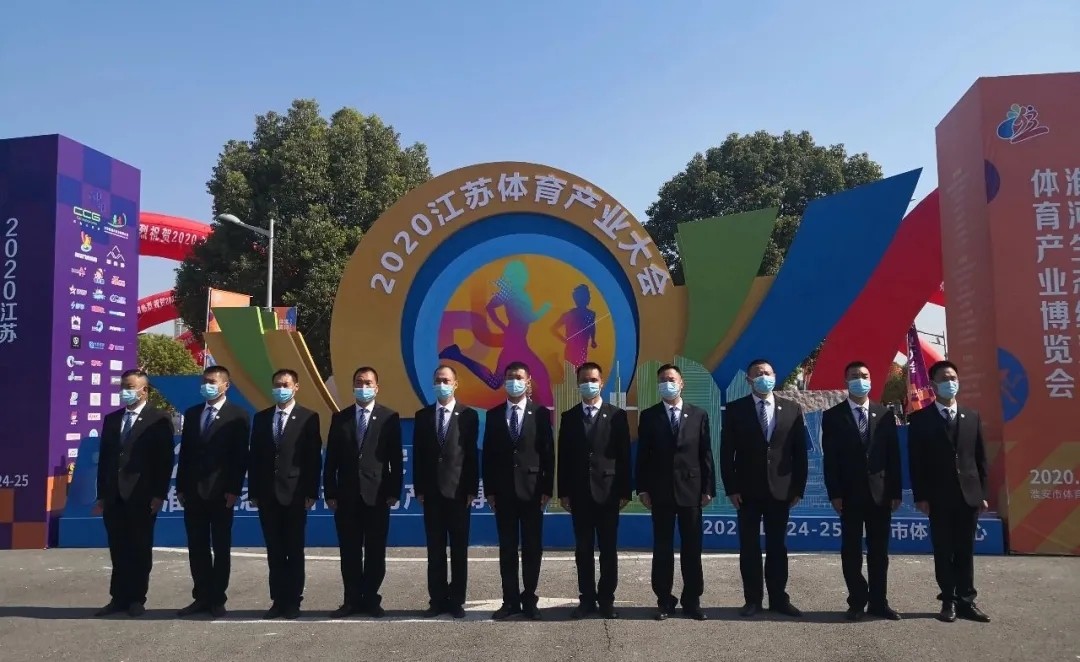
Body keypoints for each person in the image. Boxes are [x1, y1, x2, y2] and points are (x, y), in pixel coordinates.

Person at [720, 358, 808, 618]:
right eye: (758, 374)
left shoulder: (792, 408)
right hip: (746, 491)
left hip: (781, 489)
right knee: (749, 547)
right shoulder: (736, 409)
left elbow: (799, 453)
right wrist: (731, 488)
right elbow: (726, 453)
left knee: (778, 547)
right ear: (749, 380)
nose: (763, 377)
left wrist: (798, 488)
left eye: (767, 373)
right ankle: (752, 600)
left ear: (775, 376)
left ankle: (779, 599)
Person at [908, 360, 991, 623]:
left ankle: (967, 600)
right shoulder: (920, 419)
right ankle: (948, 600)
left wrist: (982, 493)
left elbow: (980, 459)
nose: (950, 383)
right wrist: (921, 496)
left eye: (953, 378)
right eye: (944, 379)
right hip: (938, 495)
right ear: (933, 385)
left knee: (965, 549)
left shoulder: (972, 416)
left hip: (968, 494)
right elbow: (916, 462)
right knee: (943, 549)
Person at [821, 361, 902, 621]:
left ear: (871, 380)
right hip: (849, 494)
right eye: (854, 376)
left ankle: (879, 602)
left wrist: (895, 492)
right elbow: (830, 459)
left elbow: (893, 457)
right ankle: (856, 600)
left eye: (864, 375)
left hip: (880, 494)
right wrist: (835, 493)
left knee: (879, 552)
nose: (860, 380)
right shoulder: (833, 416)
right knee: (851, 551)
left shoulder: (885, 414)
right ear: (846, 381)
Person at [93, 369, 175, 617]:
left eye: (130, 387)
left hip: (142, 495)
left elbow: (164, 461)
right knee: (118, 548)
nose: (125, 391)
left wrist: (159, 494)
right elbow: (105, 459)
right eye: (123, 386)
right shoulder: (112, 419)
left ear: (144, 390)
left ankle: (137, 598)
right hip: (114, 495)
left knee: (139, 547)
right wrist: (102, 494)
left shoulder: (158, 419)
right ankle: (118, 598)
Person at [636, 363, 715, 621]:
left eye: (671, 379)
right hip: (660, 492)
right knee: (662, 548)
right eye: (662, 380)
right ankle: (664, 600)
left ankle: (692, 600)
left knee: (692, 548)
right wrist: (642, 488)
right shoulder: (650, 416)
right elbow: (643, 456)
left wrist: (708, 488)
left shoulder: (698, 414)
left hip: (691, 491)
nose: (667, 384)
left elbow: (705, 454)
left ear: (682, 384)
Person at [323, 366, 403, 618]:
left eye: (368, 383)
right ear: (353, 386)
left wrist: (394, 491)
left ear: (377, 387)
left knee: (375, 552)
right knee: (349, 551)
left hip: (377, 495)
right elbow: (331, 460)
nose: (363, 387)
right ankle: (351, 600)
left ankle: (370, 599)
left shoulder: (389, 417)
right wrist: (330, 492)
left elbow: (395, 460)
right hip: (346, 496)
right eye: (359, 382)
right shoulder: (341, 418)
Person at [557, 362, 631, 619]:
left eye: (593, 380)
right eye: (584, 380)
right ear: (578, 384)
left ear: (601, 382)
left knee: (608, 550)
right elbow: (563, 458)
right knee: (583, 550)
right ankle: (586, 599)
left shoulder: (617, 415)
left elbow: (624, 456)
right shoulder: (569, 417)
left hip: (609, 492)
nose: (588, 384)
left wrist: (625, 491)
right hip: (580, 494)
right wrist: (563, 492)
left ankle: (607, 599)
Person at [482, 361, 555, 620]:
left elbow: (548, 453)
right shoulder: (494, 415)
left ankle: (530, 598)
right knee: (508, 548)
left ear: (528, 381)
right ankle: (510, 600)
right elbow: (488, 456)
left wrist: (547, 488)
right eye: (510, 377)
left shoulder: (540, 413)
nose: (514, 381)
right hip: (503, 493)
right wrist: (490, 491)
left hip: (533, 491)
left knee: (532, 547)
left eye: (519, 377)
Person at [248, 369, 323, 620]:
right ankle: (278, 600)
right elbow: (255, 458)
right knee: (275, 550)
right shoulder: (262, 418)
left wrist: (311, 491)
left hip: (295, 493)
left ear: (296, 387)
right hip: (267, 494)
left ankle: (293, 601)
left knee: (294, 549)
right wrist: (254, 491)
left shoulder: (308, 417)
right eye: (277, 385)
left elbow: (313, 458)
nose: (281, 389)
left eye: (286, 385)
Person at [176, 365, 250, 618]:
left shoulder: (237, 415)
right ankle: (201, 597)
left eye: (213, 382)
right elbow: (185, 454)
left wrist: (233, 489)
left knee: (220, 546)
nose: (207, 386)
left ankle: (217, 598)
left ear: (225, 385)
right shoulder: (193, 413)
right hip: (193, 492)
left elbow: (240, 456)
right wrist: (181, 487)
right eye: (205, 381)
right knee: (197, 546)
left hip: (221, 493)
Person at [413, 365, 479, 619]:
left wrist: (471, 488)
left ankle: (456, 601)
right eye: (438, 380)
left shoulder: (468, 415)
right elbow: (418, 455)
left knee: (459, 550)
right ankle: (437, 600)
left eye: (446, 380)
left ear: (455, 383)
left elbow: (471, 455)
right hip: (431, 493)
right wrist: (419, 488)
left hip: (459, 493)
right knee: (435, 550)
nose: (442, 384)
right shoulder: (423, 416)